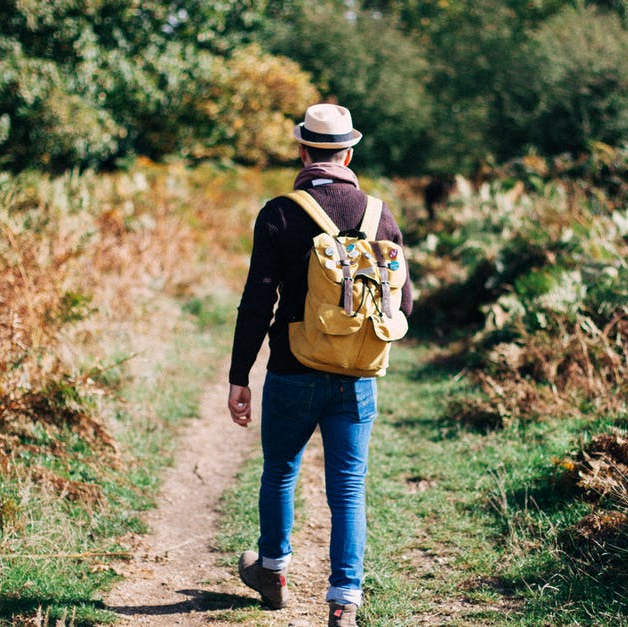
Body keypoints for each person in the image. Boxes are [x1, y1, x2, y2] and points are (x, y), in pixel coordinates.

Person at [227, 103, 414, 627]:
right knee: (349, 488)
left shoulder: (280, 212)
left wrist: (240, 376)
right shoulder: (381, 215)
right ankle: (344, 601)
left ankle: (272, 572)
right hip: (356, 377)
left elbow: (256, 302)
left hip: (291, 368)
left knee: (280, 471)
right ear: (349, 152)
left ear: (303, 150)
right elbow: (407, 307)